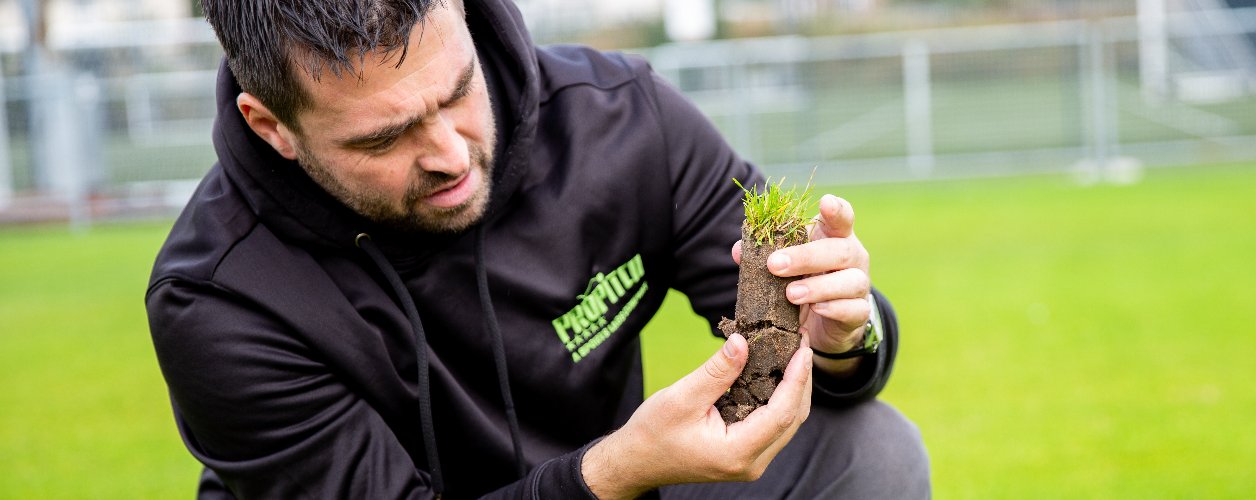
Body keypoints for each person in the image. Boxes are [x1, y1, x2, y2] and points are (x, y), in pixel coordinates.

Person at [145, 0, 929, 497]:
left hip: (618, 485)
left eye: (457, 92)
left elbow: (830, 362)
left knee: (866, 450)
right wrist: (614, 472)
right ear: (270, 126)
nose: (449, 154)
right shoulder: (220, 296)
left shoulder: (622, 122)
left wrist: (837, 341)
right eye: (384, 137)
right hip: (610, 481)